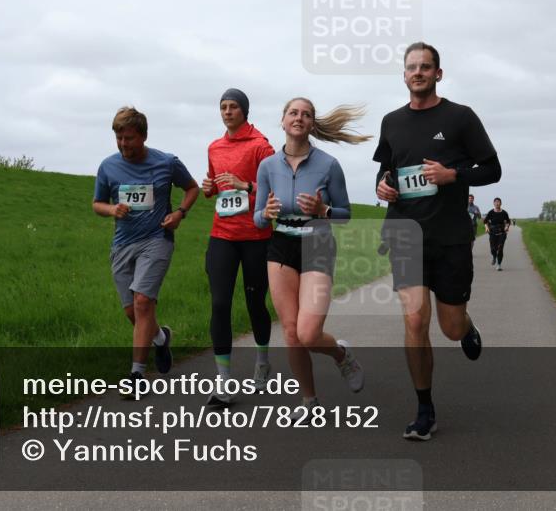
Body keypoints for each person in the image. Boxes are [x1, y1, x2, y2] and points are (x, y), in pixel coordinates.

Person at [374, 42, 501, 440]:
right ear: (404, 74)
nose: (418, 73)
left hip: (449, 237)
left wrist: (454, 176)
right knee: (414, 319)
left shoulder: (460, 117)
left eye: (425, 67)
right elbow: (386, 172)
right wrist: (383, 188)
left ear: (438, 74)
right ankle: (424, 408)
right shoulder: (392, 121)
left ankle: (465, 327)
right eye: (412, 67)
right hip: (405, 233)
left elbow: (492, 169)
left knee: (448, 326)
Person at [254, 97, 369, 421]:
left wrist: (324, 210)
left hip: (317, 245)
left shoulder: (329, 165)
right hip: (281, 248)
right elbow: (257, 219)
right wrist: (267, 212)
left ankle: (341, 355)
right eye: (293, 112)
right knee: (291, 332)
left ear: (312, 124)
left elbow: (345, 215)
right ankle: (309, 401)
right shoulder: (267, 167)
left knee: (307, 332)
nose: (299, 118)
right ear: (283, 120)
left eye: (306, 114)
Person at [93, 106, 199, 397]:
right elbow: (97, 203)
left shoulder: (166, 162)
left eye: (128, 138)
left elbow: (191, 188)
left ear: (142, 136)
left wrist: (179, 213)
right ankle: (160, 338)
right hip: (122, 243)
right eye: (119, 138)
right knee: (132, 312)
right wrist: (112, 208)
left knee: (142, 303)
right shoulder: (108, 166)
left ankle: (136, 375)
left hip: (157, 239)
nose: (123, 144)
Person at [200, 89, 275, 407]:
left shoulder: (261, 145)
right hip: (223, 235)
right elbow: (215, 183)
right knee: (219, 304)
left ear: (244, 111)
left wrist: (248, 186)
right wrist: (208, 187)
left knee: (255, 303)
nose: (227, 112)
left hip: (256, 236)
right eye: (223, 107)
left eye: (233, 107)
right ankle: (224, 382)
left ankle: (262, 362)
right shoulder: (214, 147)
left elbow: (276, 185)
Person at [484, 197, 511, 269]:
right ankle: (494, 256)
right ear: (493, 203)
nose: (497, 203)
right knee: (493, 249)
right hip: (492, 232)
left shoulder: (504, 213)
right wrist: (486, 228)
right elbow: (485, 221)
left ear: (501, 203)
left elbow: (508, 222)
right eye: (495, 202)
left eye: (498, 202)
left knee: (500, 248)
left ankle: (499, 265)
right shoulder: (491, 212)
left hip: (502, 232)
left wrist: (506, 227)